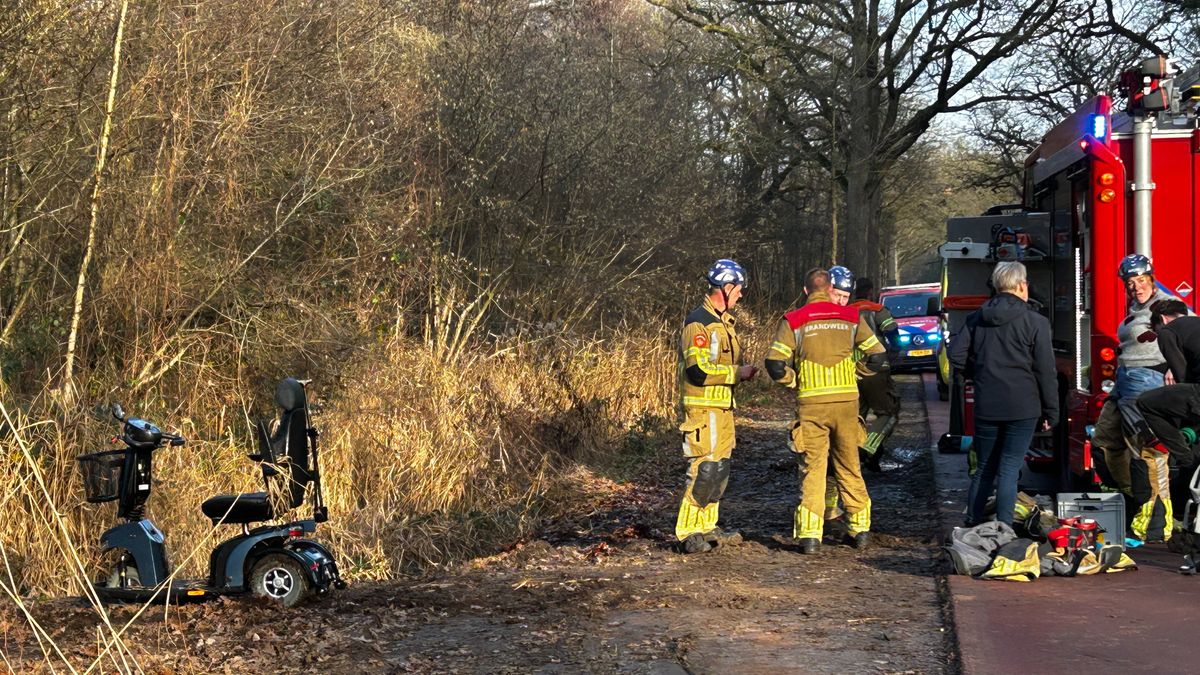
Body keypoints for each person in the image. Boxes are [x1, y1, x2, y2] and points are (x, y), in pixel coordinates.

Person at [766, 267, 886, 554]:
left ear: (805, 291)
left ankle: (810, 536)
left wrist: (793, 381)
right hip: (846, 404)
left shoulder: (793, 320)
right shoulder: (851, 317)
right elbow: (877, 354)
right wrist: (856, 372)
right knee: (849, 467)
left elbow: (774, 364)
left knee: (813, 469)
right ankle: (860, 530)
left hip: (812, 407)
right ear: (830, 288)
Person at [947, 262, 1057, 527]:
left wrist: (977, 372)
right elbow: (1045, 369)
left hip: (987, 403)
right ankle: (1004, 527)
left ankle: (973, 521)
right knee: (1009, 468)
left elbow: (956, 355)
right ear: (1021, 286)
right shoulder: (1036, 322)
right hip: (1023, 405)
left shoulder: (976, 318)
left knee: (985, 467)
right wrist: (1051, 410)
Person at [1090, 254, 1176, 542]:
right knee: (1104, 442)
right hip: (1124, 380)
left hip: (1147, 380)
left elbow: (1188, 334)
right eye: (1130, 283)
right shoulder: (1136, 307)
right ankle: (1133, 502)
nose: (1136, 287)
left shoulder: (1165, 305)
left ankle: (1155, 523)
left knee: (1149, 452)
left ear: (1151, 278)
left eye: (1141, 280)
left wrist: (1173, 370)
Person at [674, 259, 757, 554]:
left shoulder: (723, 324)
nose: (741, 295)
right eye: (738, 289)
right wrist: (737, 373)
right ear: (725, 287)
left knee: (720, 471)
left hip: (722, 410)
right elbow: (698, 371)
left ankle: (707, 526)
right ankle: (687, 532)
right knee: (704, 470)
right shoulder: (699, 323)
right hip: (702, 411)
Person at [1137, 299, 1200, 520]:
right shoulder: (1196, 325)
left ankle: (1184, 457)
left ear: (1162, 320)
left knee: (1146, 402)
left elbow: (1181, 377)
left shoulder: (1167, 332)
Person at [850, 277, 900, 471]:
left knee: (856, 416)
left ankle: (852, 454)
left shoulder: (845, 313)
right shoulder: (877, 310)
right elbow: (892, 331)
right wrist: (895, 350)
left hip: (850, 373)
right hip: (876, 370)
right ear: (871, 291)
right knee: (888, 413)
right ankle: (868, 448)